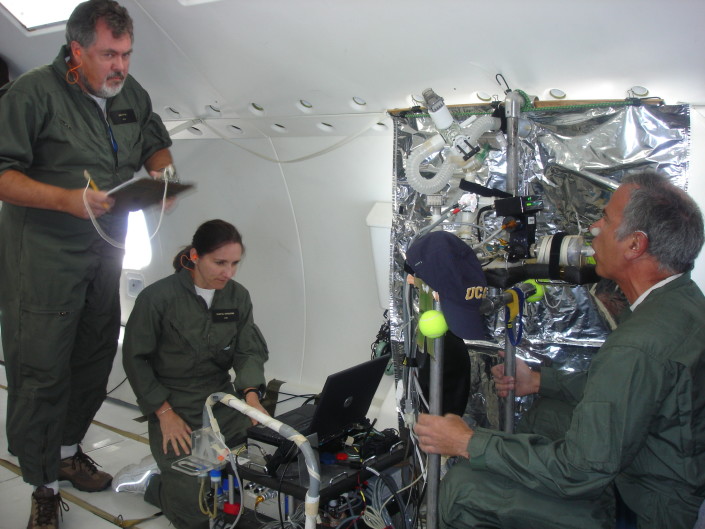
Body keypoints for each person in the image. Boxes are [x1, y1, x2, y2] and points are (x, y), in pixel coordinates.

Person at [414, 171, 705, 529]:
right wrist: (539, 381)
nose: (594, 228)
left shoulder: (637, 345)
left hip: (642, 508)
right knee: (546, 414)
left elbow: (579, 471)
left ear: (635, 245)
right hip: (660, 461)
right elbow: (630, 391)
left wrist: (468, 443)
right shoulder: (683, 303)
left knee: (462, 487)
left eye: (606, 219)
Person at [0, 1, 174, 527]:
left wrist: (164, 176)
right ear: (76, 51)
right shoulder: (32, 93)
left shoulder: (129, 91)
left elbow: (154, 140)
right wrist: (66, 199)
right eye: (108, 54)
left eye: (125, 53)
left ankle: (69, 451)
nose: (119, 65)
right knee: (41, 371)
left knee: (95, 356)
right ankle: (42, 485)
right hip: (46, 259)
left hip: (105, 253)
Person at [122, 219, 270, 529]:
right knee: (194, 513)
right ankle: (154, 485)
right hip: (174, 404)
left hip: (220, 399)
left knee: (263, 465)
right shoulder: (158, 299)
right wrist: (164, 413)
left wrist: (251, 399)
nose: (227, 273)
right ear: (194, 256)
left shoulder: (237, 297)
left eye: (234, 264)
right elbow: (136, 360)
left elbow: (248, 351)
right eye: (219, 262)